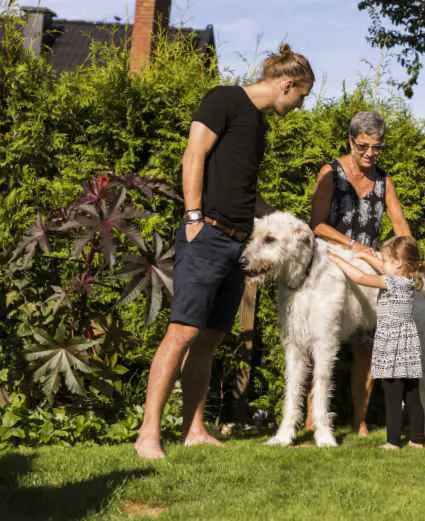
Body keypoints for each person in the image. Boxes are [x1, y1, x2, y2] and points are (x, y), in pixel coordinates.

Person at [134, 44, 314, 460]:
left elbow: (243, 192)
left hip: (239, 242)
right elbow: (193, 154)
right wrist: (193, 216)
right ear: (287, 84)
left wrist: (287, 221)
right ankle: (148, 433)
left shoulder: (259, 126)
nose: (300, 106)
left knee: (210, 339)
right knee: (182, 332)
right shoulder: (224, 100)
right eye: (302, 96)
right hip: (208, 234)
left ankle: (194, 428)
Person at [310, 111, 412, 435]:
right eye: (363, 146)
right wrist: (352, 245)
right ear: (350, 141)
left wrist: (410, 262)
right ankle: (314, 417)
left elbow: (400, 227)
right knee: (322, 343)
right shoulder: (331, 173)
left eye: (376, 147)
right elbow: (317, 225)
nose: (370, 154)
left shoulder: (384, 181)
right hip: (331, 266)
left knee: (365, 348)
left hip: (368, 272)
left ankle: (360, 419)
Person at [328, 236, 425, 449]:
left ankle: (393, 442)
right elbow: (385, 269)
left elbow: (360, 277)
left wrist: (336, 259)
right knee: (411, 394)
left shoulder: (391, 282)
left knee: (392, 396)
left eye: (385, 260)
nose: (382, 264)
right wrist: (367, 256)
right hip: (408, 346)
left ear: (398, 263)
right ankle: (417, 439)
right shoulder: (411, 281)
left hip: (392, 346)